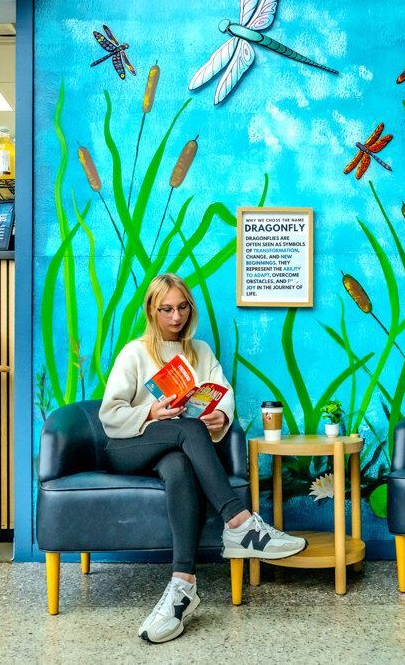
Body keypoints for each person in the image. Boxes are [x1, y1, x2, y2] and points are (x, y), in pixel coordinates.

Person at [99, 273, 306, 644]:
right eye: (166, 309)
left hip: (173, 453)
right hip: (130, 446)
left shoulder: (201, 352)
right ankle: (240, 522)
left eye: (181, 308)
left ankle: (182, 588)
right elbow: (109, 413)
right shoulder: (134, 351)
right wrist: (151, 414)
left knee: (181, 464)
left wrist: (221, 416)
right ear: (152, 310)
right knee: (187, 429)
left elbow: (222, 394)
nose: (175, 317)